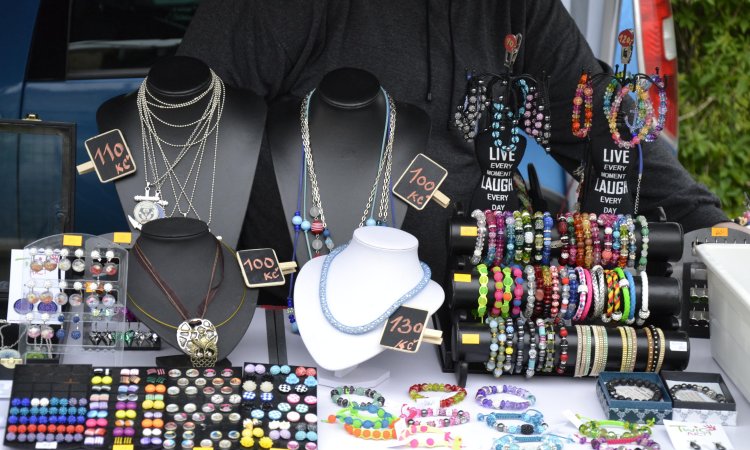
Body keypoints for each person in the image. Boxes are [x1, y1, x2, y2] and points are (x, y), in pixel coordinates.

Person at [177, 0, 731, 291]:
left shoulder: (514, 8)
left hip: (461, 313)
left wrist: (712, 229)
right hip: (296, 318)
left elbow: (601, 120)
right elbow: (183, 126)